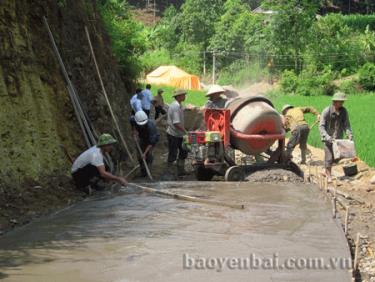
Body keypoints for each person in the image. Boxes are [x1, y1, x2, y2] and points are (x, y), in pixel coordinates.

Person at [319, 92, 353, 182]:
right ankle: (328, 175)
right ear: (335, 101)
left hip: (338, 138)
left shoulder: (344, 111)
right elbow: (321, 126)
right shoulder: (327, 111)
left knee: (335, 158)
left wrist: (349, 134)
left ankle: (325, 170)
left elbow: (346, 124)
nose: (342, 103)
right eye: (340, 101)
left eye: (343, 101)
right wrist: (327, 137)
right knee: (329, 157)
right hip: (328, 139)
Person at [130, 111, 160, 177]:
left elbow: (151, 142)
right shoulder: (133, 119)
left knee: (148, 154)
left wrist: (145, 153)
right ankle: (142, 169)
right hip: (142, 137)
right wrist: (133, 131)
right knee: (139, 155)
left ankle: (148, 169)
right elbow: (132, 124)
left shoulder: (151, 126)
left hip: (152, 139)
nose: (142, 125)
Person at [166, 89, 189, 176]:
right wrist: (185, 131)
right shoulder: (175, 107)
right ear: (179, 96)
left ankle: (180, 170)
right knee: (173, 153)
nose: (184, 96)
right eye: (183, 95)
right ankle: (170, 172)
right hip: (174, 134)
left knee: (183, 151)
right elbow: (176, 123)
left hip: (179, 134)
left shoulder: (179, 105)